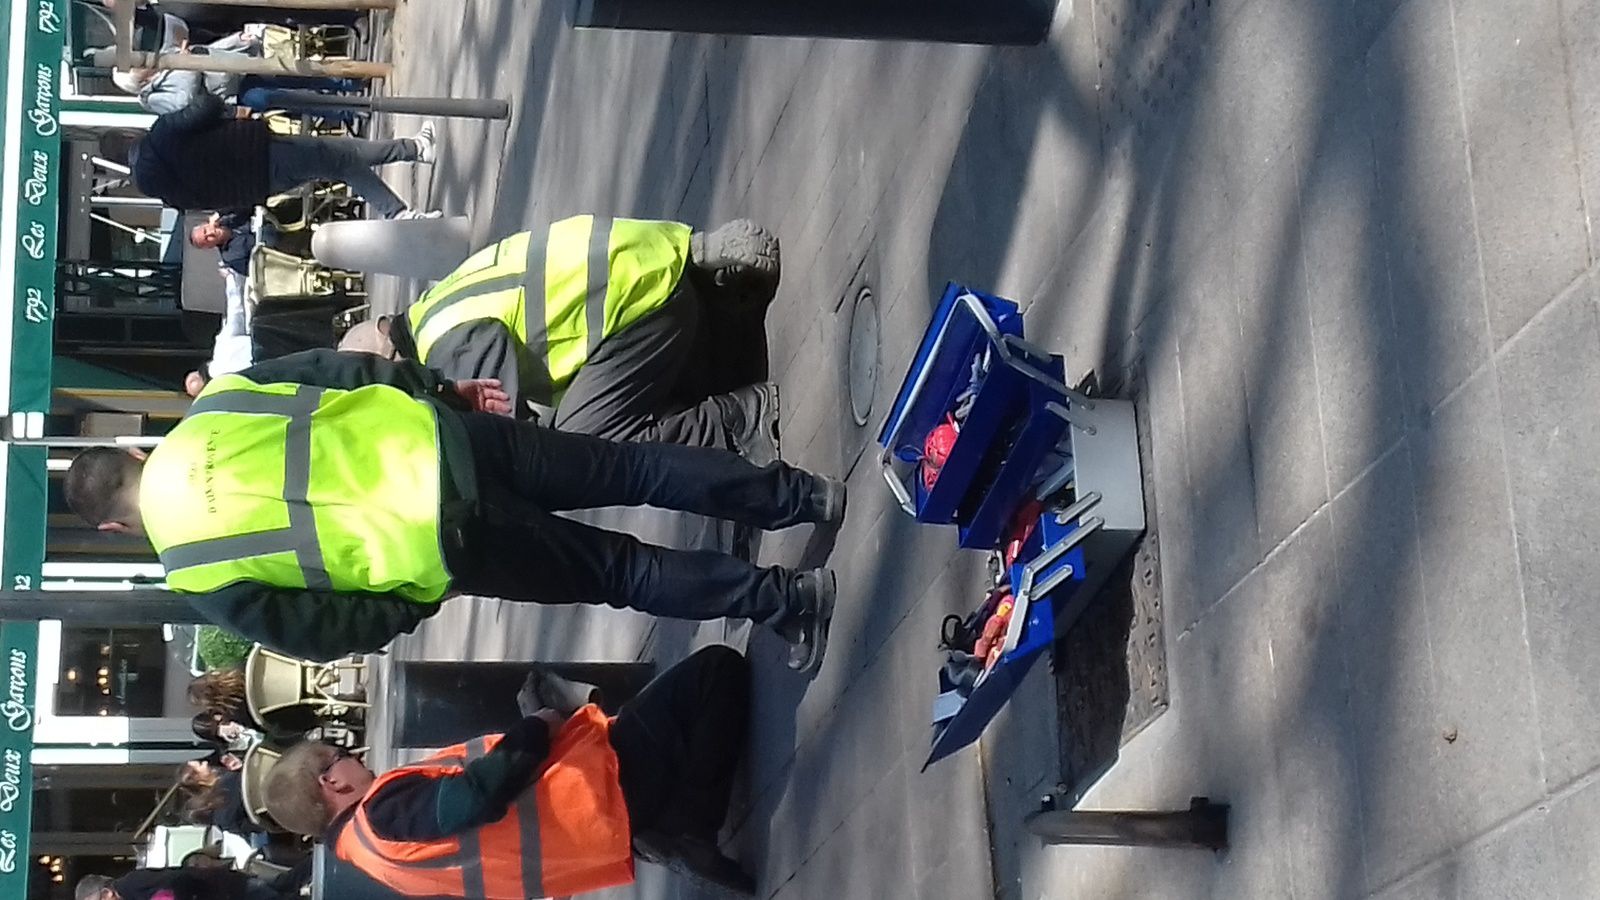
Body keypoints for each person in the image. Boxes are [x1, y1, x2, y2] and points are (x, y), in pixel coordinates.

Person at [63, 349, 842, 672]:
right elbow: (343, 369)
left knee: (621, 572)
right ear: (134, 452)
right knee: (628, 464)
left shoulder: (196, 572)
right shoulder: (223, 400)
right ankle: (802, 494)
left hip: (447, 540)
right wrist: (438, 389)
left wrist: (415, 599)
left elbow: (324, 633)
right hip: (450, 439)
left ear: (113, 530)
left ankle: (787, 599)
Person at [264, 645, 757, 897]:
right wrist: (536, 727)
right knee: (717, 669)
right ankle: (688, 823)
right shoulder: (383, 813)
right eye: (339, 755)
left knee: (678, 713)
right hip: (596, 789)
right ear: (331, 782)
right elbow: (473, 797)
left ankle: (671, 825)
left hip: (590, 834)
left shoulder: (372, 859)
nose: (353, 756)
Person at [338, 215, 783, 461]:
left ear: (391, 360)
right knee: (598, 395)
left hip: (639, 309)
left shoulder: (445, 351)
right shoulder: (436, 303)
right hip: (652, 255)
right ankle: (723, 297)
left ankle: (738, 421)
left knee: (581, 449)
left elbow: (517, 438)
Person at [102, 95, 440, 220]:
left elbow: (196, 201)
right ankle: (398, 214)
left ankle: (414, 149)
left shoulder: (150, 186)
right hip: (256, 150)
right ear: (130, 137)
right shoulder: (160, 134)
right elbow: (203, 109)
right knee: (339, 161)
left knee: (339, 154)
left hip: (258, 185)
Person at [76, 865, 290, 900]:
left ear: (106, 894)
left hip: (228, 890)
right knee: (286, 886)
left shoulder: (131, 883)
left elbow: (176, 878)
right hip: (224, 891)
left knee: (285, 889)